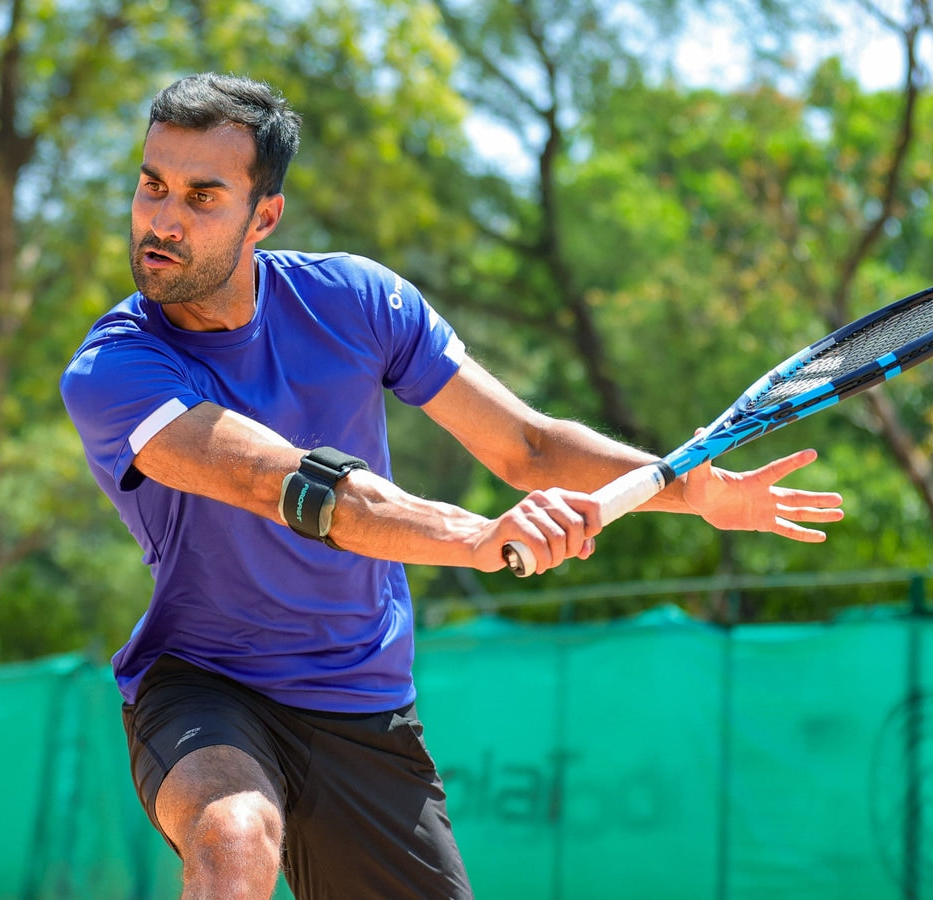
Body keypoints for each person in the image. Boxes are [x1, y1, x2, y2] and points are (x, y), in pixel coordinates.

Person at [59, 72, 844, 900]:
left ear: (263, 217)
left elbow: (530, 446)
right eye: (152, 186)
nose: (162, 220)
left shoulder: (356, 301)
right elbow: (290, 485)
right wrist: (477, 536)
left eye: (201, 196)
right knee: (233, 833)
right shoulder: (113, 370)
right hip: (205, 684)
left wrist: (694, 490)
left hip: (362, 698)